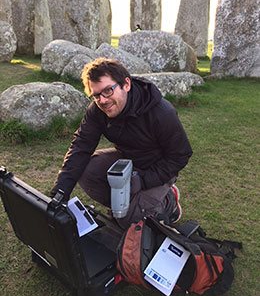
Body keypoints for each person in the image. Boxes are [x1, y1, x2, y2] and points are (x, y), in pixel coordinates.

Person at [51, 58, 192, 229]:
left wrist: (143, 181)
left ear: (126, 84)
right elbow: (81, 145)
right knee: (87, 170)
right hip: (127, 161)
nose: (102, 100)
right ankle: (125, 206)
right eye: (96, 95)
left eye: (108, 90)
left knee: (130, 222)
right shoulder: (97, 110)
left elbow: (180, 155)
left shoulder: (161, 112)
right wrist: (61, 191)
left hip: (157, 166)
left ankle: (169, 201)